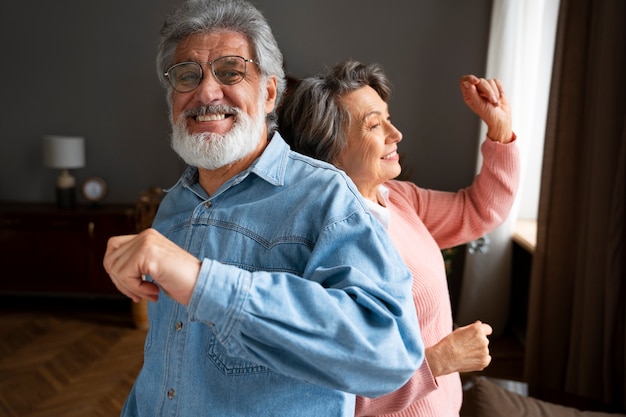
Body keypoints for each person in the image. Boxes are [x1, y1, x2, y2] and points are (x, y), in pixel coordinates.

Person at [103, 2, 424, 416]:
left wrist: (204, 283)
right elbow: (168, 366)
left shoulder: (325, 196)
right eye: (187, 76)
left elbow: (388, 351)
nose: (206, 92)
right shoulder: (174, 206)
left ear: (269, 92)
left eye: (231, 71)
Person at [278, 60, 520, 416]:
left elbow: (479, 211)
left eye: (388, 117)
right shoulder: (322, 244)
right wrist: (438, 361)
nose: (395, 133)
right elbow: (332, 395)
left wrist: (500, 128)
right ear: (329, 149)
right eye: (374, 125)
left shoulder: (396, 198)